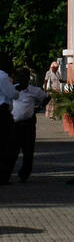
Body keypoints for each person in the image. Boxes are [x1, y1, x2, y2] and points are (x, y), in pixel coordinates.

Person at [9, 69, 48, 182]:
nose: (22, 79)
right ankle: (7, 172)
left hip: (28, 124)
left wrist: (39, 108)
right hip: (14, 124)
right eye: (20, 77)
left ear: (28, 79)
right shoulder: (12, 89)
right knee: (12, 150)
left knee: (28, 151)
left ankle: (24, 174)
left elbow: (46, 97)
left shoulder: (34, 90)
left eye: (25, 77)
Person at [0, 52, 16, 185]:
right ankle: (4, 175)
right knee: (8, 146)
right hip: (3, 114)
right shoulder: (3, 77)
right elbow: (11, 94)